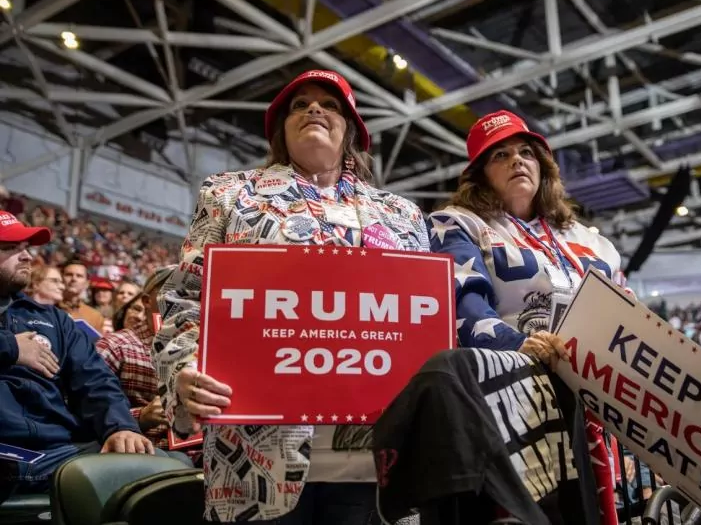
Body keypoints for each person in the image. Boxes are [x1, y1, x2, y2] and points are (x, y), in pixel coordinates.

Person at [153, 69, 429, 524]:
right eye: (299, 105)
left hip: (375, 458)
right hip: (255, 456)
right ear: (281, 130)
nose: (314, 109)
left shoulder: (403, 215)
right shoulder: (229, 194)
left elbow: (423, 321)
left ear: (351, 131)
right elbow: (183, 297)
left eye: (329, 105)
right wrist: (185, 369)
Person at [427, 110, 629, 525]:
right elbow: (463, 306)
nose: (517, 160)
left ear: (543, 166)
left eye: (526, 152)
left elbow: (628, 315)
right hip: (514, 403)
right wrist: (518, 345)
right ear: (480, 174)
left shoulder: (592, 241)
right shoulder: (457, 224)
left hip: (595, 403)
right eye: (500, 155)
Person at [0, 211, 154, 501]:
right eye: (10, 248)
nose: (27, 256)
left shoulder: (53, 319)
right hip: (7, 454)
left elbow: (95, 379)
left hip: (56, 452)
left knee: (164, 467)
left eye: (26, 248)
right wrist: (10, 348)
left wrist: (119, 427)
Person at [97, 266, 182, 453]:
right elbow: (85, 409)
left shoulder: (203, 348)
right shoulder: (116, 346)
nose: (183, 301)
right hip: (145, 452)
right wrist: (141, 416)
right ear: (147, 301)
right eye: (173, 291)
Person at [59, 259, 105, 335]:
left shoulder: (95, 316)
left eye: (79, 276)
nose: (74, 279)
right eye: (69, 275)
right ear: (61, 279)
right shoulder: (47, 309)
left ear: (87, 283)